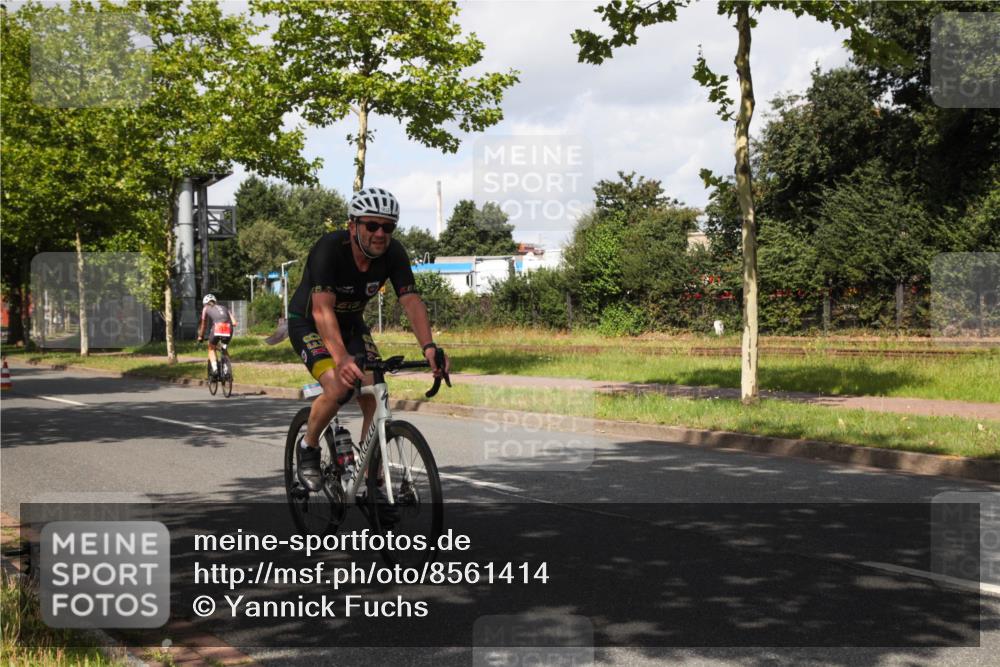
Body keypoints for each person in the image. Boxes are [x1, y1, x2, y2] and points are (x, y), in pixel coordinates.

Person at [288, 186, 450, 491]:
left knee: (376, 387)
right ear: (353, 226)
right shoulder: (329, 249)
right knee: (337, 388)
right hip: (309, 323)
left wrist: (429, 347)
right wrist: (341, 358)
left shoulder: (394, 253)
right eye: (371, 225)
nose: (380, 233)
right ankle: (308, 447)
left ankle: (370, 470)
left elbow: (411, 301)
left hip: (351, 324)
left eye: (388, 227)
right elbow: (322, 309)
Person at [197, 295, 237, 378]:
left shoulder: (206, 308)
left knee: (211, 348)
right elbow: (234, 323)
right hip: (229, 328)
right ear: (215, 301)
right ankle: (227, 371)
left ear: (205, 303)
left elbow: (203, 325)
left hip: (217, 328)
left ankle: (215, 369)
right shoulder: (224, 307)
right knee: (224, 348)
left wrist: (201, 336)